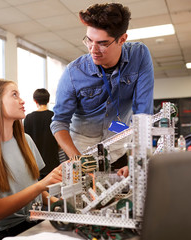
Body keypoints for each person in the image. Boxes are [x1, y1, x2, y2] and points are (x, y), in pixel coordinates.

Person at [50, 3, 154, 177]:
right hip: (82, 148)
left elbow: (143, 113)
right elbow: (59, 122)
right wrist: (79, 161)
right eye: (89, 40)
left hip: (119, 145)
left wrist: (136, 160)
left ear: (122, 39)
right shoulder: (73, 73)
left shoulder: (139, 56)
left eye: (102, 43)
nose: (93, 50)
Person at [0, 79, 62, 240]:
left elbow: (34, 190)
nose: (22, 101)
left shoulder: (25, 140)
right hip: (5, 233)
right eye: (14, 95)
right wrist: (41, 185)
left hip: (36, 223)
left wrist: (57, 204)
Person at [24, 88, 60, 179]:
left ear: (35, 100)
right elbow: (59, 140)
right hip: (53, 162)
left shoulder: (28, 118)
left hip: (36, 164)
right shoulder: (54, 116)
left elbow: (25, 142)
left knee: (40, 191)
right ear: (48, 100)